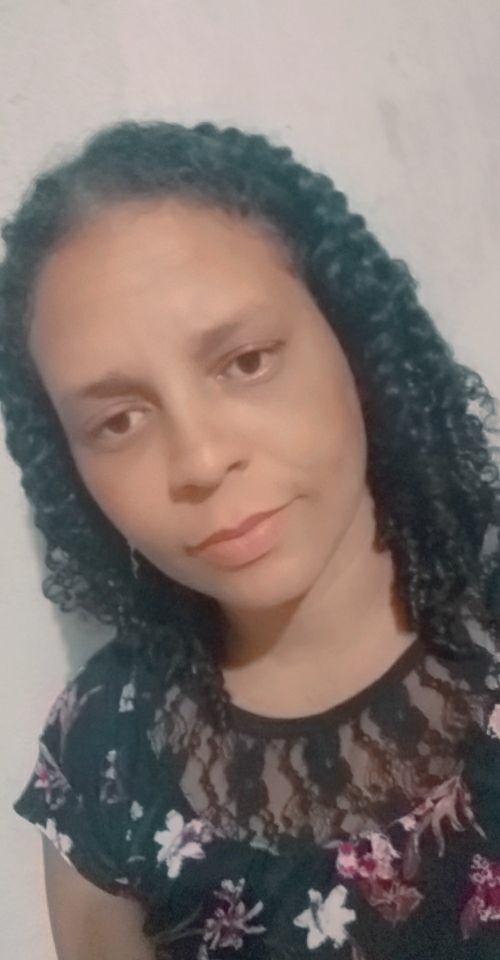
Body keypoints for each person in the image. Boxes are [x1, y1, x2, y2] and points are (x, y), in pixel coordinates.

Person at [2, 120, 500, 960]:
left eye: (246, 362)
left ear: (351, 337)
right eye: (119, 421)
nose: (200, 460)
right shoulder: (102, 762)